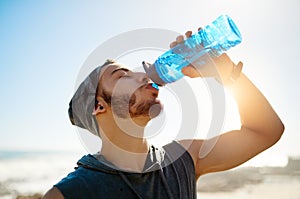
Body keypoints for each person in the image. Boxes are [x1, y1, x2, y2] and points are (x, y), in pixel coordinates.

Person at [43, 30, 284, 199]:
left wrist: (227, 73)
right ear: (99, 106)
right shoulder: (66, 194)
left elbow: (266, 131)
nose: (143, 76)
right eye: (121, 76)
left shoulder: (183, 159)